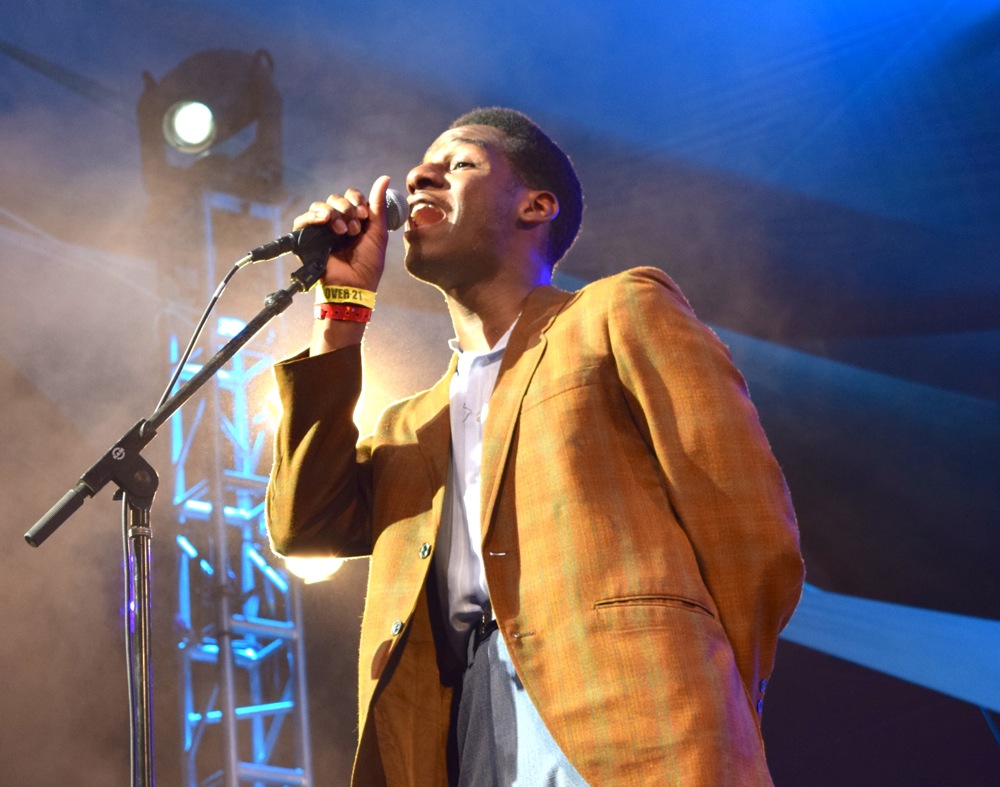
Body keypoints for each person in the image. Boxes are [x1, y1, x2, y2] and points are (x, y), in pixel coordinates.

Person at [265, 107, 804, 786]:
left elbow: (748, 528)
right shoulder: (409, 424)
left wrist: (706, 698)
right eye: (421, 166)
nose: (419, 173)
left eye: (458, 162)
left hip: (634, 724)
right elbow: (304, 526)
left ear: (535, 205)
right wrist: (341, 313)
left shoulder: (617, 311)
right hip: (458, 734)